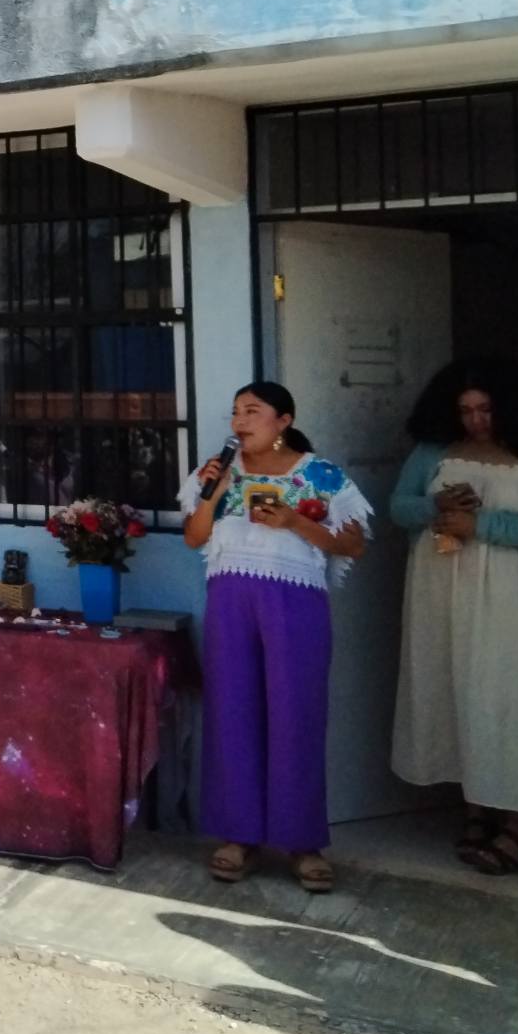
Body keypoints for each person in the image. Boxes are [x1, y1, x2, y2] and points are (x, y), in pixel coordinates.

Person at [184, 381, 370, 894]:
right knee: (232, 711)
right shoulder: (217, 472)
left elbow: (354, 545)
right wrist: (215, 494)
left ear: (283, 420)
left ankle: (302, 842)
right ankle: (238, 836)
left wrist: (294, 522)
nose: (240, 422)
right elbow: (195, 537)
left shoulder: (319, 474)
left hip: (296, 602)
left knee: (296, 715)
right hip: (230, 600)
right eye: (236, 412)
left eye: (253, 411)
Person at [389, 357, 518, 875]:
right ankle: (477, 806)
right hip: (442, 592)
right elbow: (398, 506)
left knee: (508, 701)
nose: (476, 421)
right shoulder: (433, 452)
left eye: (486, 409)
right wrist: (437, 506)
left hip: (510, 598)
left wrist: (482, 524)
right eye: (466, 411)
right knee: (457, 695)